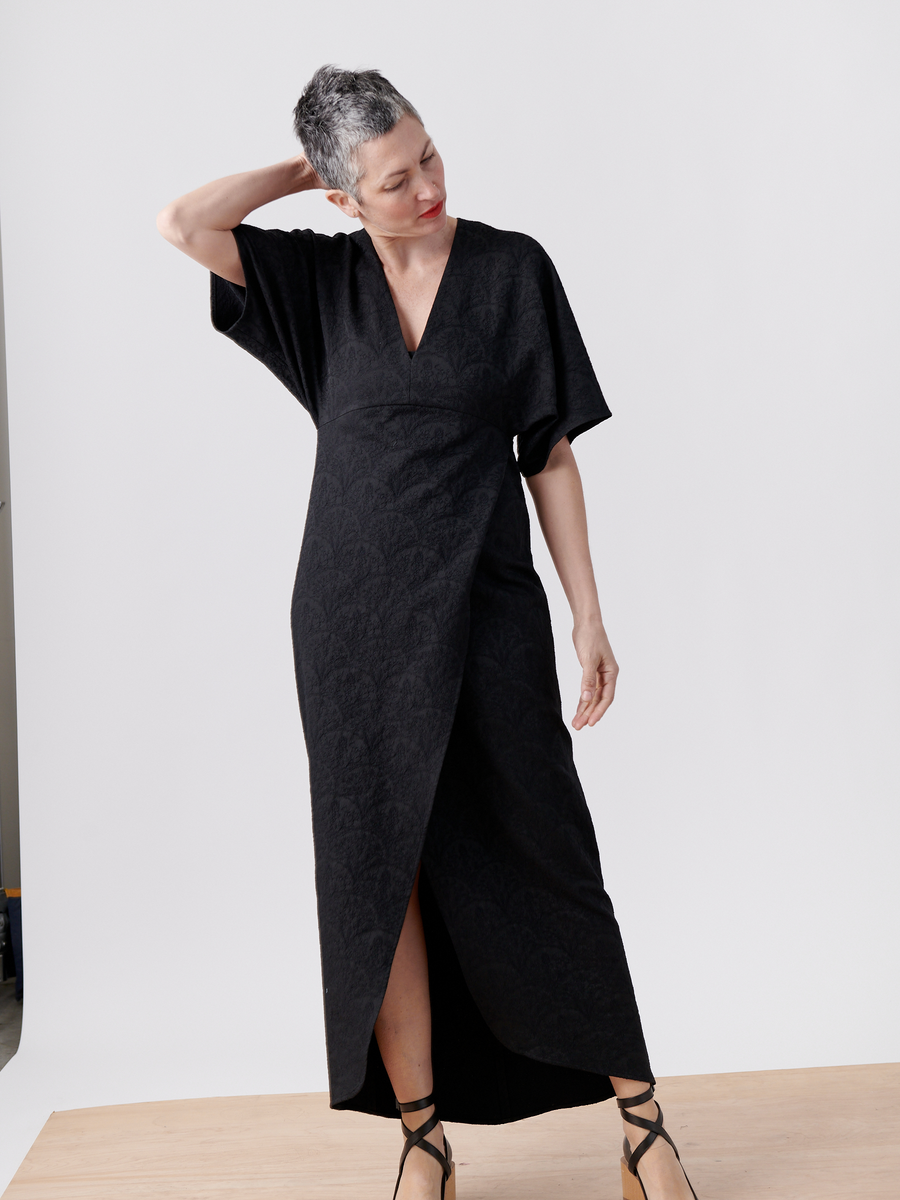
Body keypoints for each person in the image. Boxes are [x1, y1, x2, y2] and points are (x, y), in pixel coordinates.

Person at [157, 64, 700, 1200]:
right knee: (378, 876)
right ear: (343, 197)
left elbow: (548, 455)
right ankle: (421, 1141)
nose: (428, 187)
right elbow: (183, 221)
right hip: (349, 627)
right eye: (395, 179)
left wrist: (588, 613)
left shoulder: (511, 270)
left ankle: (644, 1128)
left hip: (490, 611)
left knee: (550, 857)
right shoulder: (313, 282)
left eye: (430, 157)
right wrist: (307, 170)